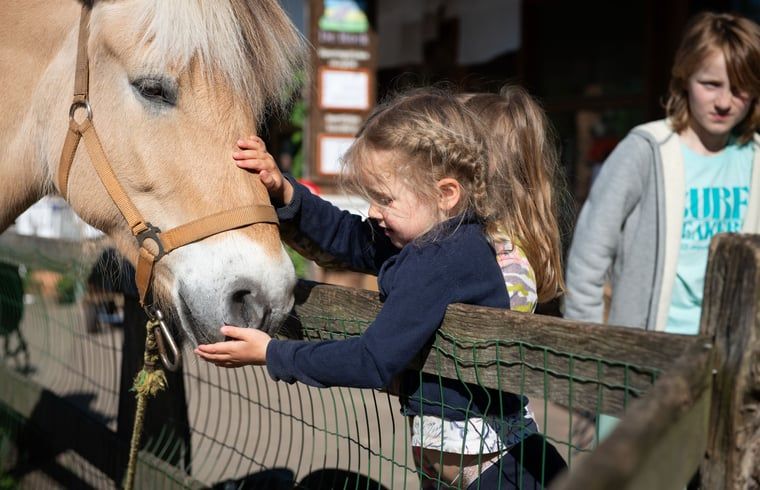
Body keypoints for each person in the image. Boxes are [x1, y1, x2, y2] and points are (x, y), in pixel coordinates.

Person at [195, 89, 566, 488]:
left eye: (384, 199)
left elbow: (373, 359)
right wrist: (286, 193)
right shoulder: (432, 240)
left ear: (446, 194)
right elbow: (351, 237)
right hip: (475, 463)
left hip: (496, 469)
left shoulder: (442, 259)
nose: (372, 211)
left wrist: (273, 353)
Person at [565, 12, 760, 335]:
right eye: (710, 84)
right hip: (645, 355)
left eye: (739, 89)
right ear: (684, 78)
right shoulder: (646, 149)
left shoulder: (755, 158)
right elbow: (589, 254)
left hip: (732, 357)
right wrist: (586, 345)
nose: (724, 102)